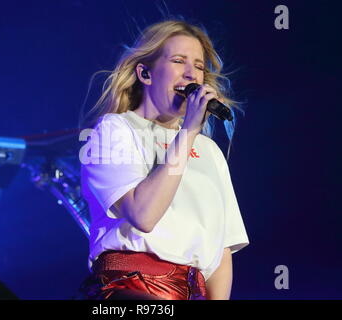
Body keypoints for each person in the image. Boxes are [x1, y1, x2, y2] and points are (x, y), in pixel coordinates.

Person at [79, 20, 249, 300]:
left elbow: (222, 249)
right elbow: (143, 215)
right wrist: (189, 130)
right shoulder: (115, 130)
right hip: (130, 289)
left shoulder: (209, 151)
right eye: (179, 61)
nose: (191, 74)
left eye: (198, 66)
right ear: (146, 73)